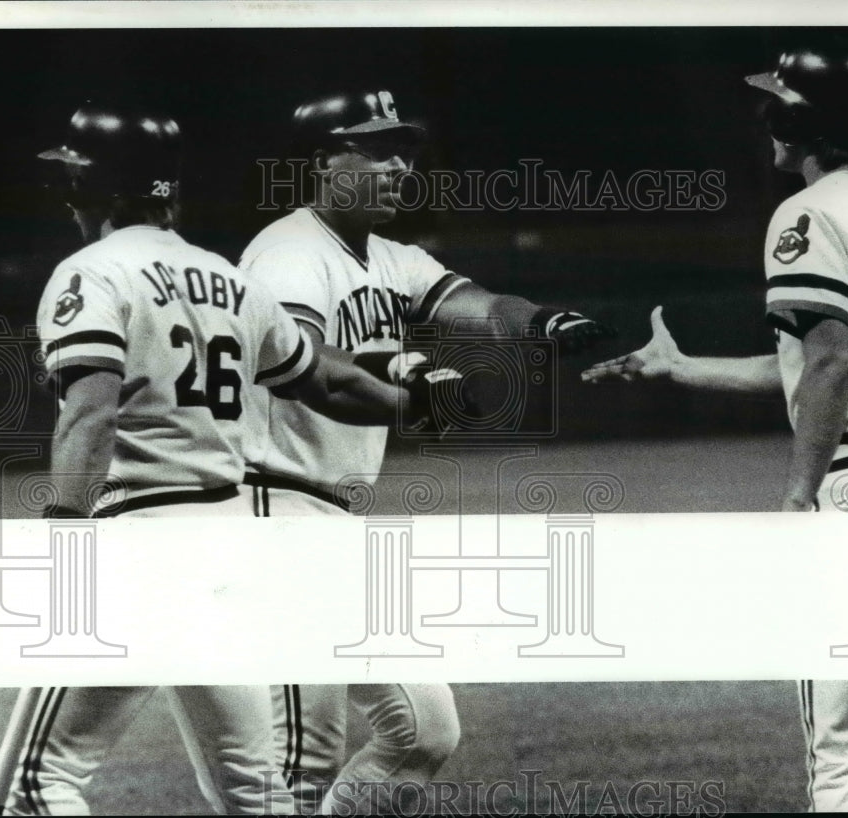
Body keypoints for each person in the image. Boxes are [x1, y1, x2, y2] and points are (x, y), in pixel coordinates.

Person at [3, 102, 438, 816]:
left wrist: (63, 542)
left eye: (72, 177)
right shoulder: (227, 279)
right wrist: (406, 402)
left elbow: (92, 409)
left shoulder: (91, 272)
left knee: (37, 781)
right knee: (257, 794)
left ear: (93, 189)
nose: (64, 191)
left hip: (140, 544)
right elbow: (322, 376)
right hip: (233, 558)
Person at [582, 44, 848, 811]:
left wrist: (798, 497)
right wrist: (683, 368)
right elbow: (819, 366)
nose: (765, 120)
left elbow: (830, 363)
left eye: (776, 106)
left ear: (799, 120)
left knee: (844, 746)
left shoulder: (809, 212)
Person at [239, 89, 615, 814]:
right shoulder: (289, 252)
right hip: (272, 507)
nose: (399, 165)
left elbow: (473, 304)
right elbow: (308, 367)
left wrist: (544, 320)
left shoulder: (388, 257)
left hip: (327, 516)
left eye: (404, 150)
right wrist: (402, 380)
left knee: (421, 730)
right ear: (324, 161)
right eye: (377, 149)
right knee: (300, 758)